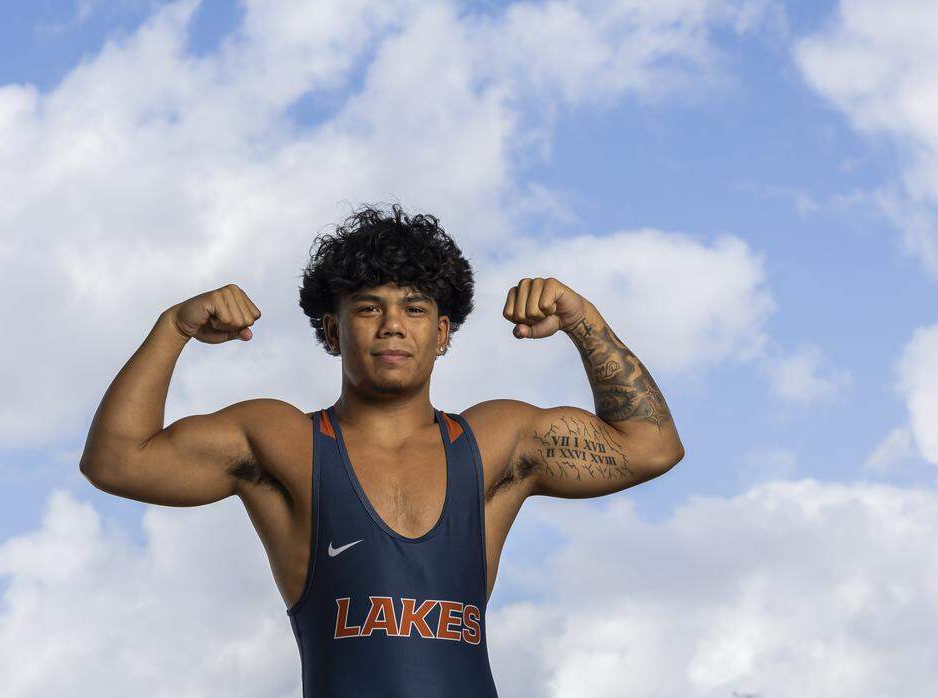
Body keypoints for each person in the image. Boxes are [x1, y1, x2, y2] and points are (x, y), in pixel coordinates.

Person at [79, 203, 685, 697]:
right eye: (369, 308)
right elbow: (117, 461)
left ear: (442, 333)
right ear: (332, 329)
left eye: (415, 309)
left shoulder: (499, 443)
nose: (392, 325)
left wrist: (585, 320)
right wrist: (174, 328)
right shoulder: (281, 442)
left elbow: (652, 447)